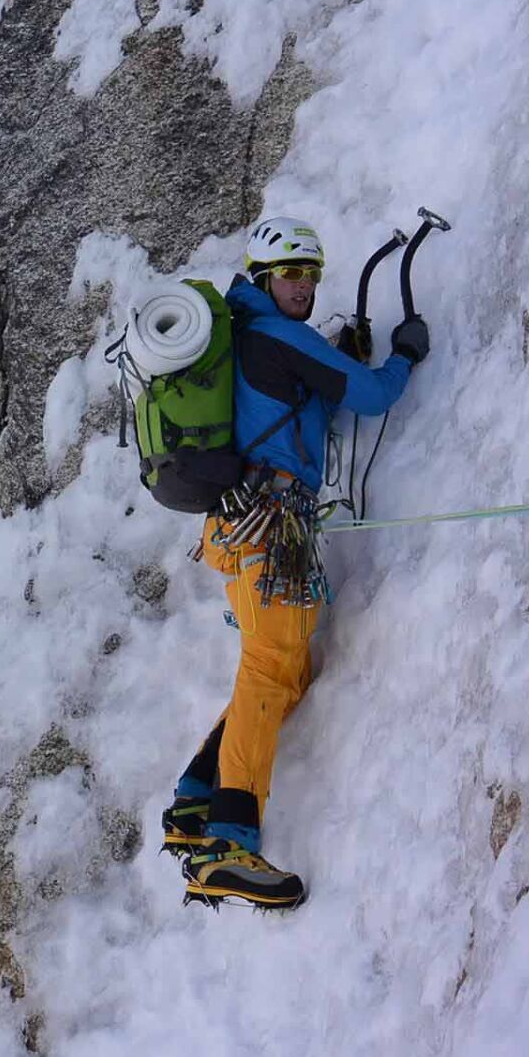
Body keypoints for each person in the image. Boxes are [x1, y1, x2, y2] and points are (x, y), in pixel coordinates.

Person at [162, 216, 431, 909]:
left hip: (243, 528)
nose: (303, 287)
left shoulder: (252, 336)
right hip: (269, 527)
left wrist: (333, 354)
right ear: (262, 277)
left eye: (310, 274)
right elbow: (371, 395)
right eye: (290, 274)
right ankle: (227, 843)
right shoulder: (276, 335)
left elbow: (295, 409)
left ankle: (197, 796)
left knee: (287, 670)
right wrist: (403, 354)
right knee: (271, 664)